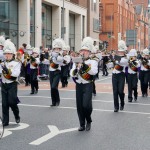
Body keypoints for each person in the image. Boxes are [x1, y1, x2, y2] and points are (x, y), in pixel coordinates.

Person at [70, 37, 98, 131]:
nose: (83, 52)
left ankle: (88, 120)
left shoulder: (93, 61)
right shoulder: (77, 60)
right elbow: (71, 72)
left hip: (87, 84)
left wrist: (84, 66)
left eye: (85, 51)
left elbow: (94, 72)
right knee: (79, 105)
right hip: (79, 84)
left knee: (86, 105)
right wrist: (75, 70)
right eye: (82, 50)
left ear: (89, 52)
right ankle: (82, 124)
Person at [1, 39, 21, 126]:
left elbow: (15, 75)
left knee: (12, 102)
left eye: (9, 53)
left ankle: (16, 114)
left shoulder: (16, 63)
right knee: (4, 104)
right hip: (4, 84)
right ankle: (5, 121)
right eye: (5, 54)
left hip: (12, 84)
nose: (7, 55)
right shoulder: (2, 63)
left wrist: (6, 70)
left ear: (12, 54)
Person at [111, 40, 128, 112]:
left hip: (121, 75)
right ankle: (116, 107)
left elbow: (122, 62)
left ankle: (122, 102)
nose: (120, 52)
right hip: (114, 75)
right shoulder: (116, 57)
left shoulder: (125, 59)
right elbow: (111, 65)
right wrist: (110, 62)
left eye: (121, 51)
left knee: (120, 91)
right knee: (115, 92)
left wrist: (115, 58)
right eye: (119, 51)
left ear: (124, 52)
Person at [49, 38, 64, 106]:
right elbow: (48, 62)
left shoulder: (60, 56)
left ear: (60, 49)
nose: (56, 50)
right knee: (51, 87)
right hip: (51, 71)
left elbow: (59, 60)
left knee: (54, 87)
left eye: (58, 49)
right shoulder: (51, 55)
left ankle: (57, 100)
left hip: (57, 72)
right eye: (55, 49)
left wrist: (57, 55)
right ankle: (53, 101)